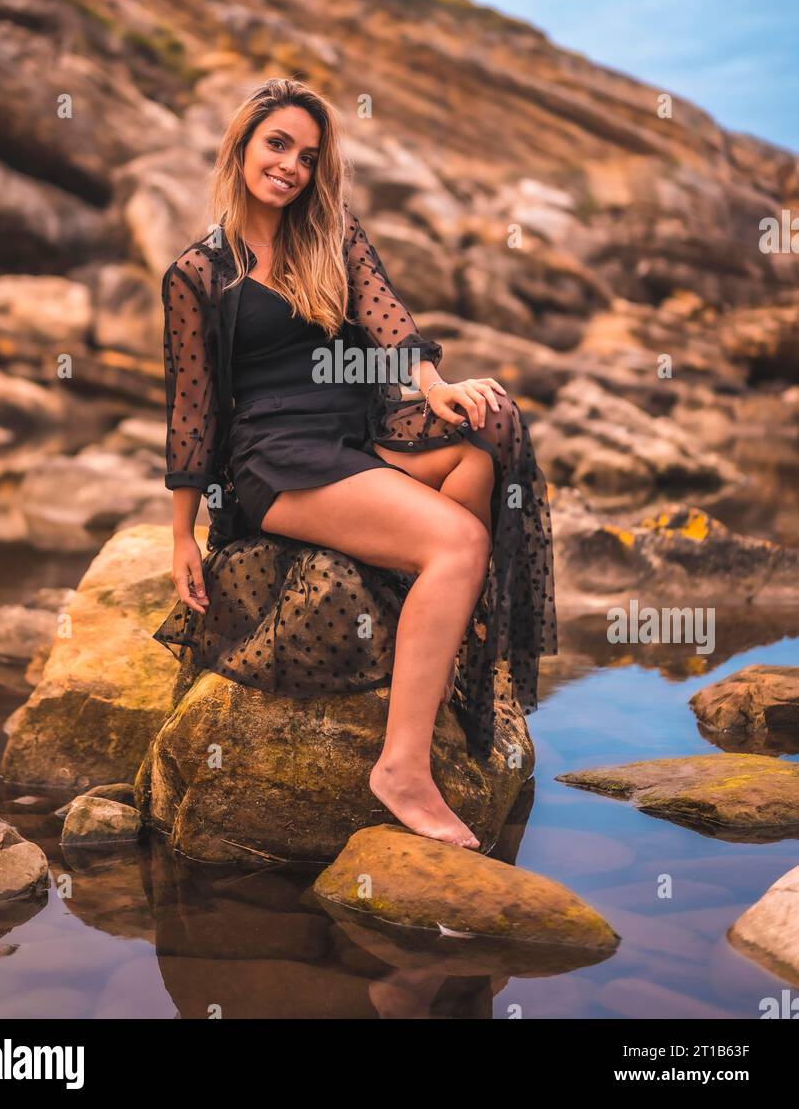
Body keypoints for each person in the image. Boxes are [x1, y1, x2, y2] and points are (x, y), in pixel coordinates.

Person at [153, 77, 557, 848]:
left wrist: (436, 387)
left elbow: (386, 316)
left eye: (307, 155)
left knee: (488, 431)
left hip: (357, 433)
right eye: (277, 145)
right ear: (241, 145)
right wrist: (182, 534)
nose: (291, 167)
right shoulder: (199, 274)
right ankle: (401, 767)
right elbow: (192, 409)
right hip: (275, 459)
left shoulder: (329, 232)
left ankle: (441, 638)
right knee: (459, 541)